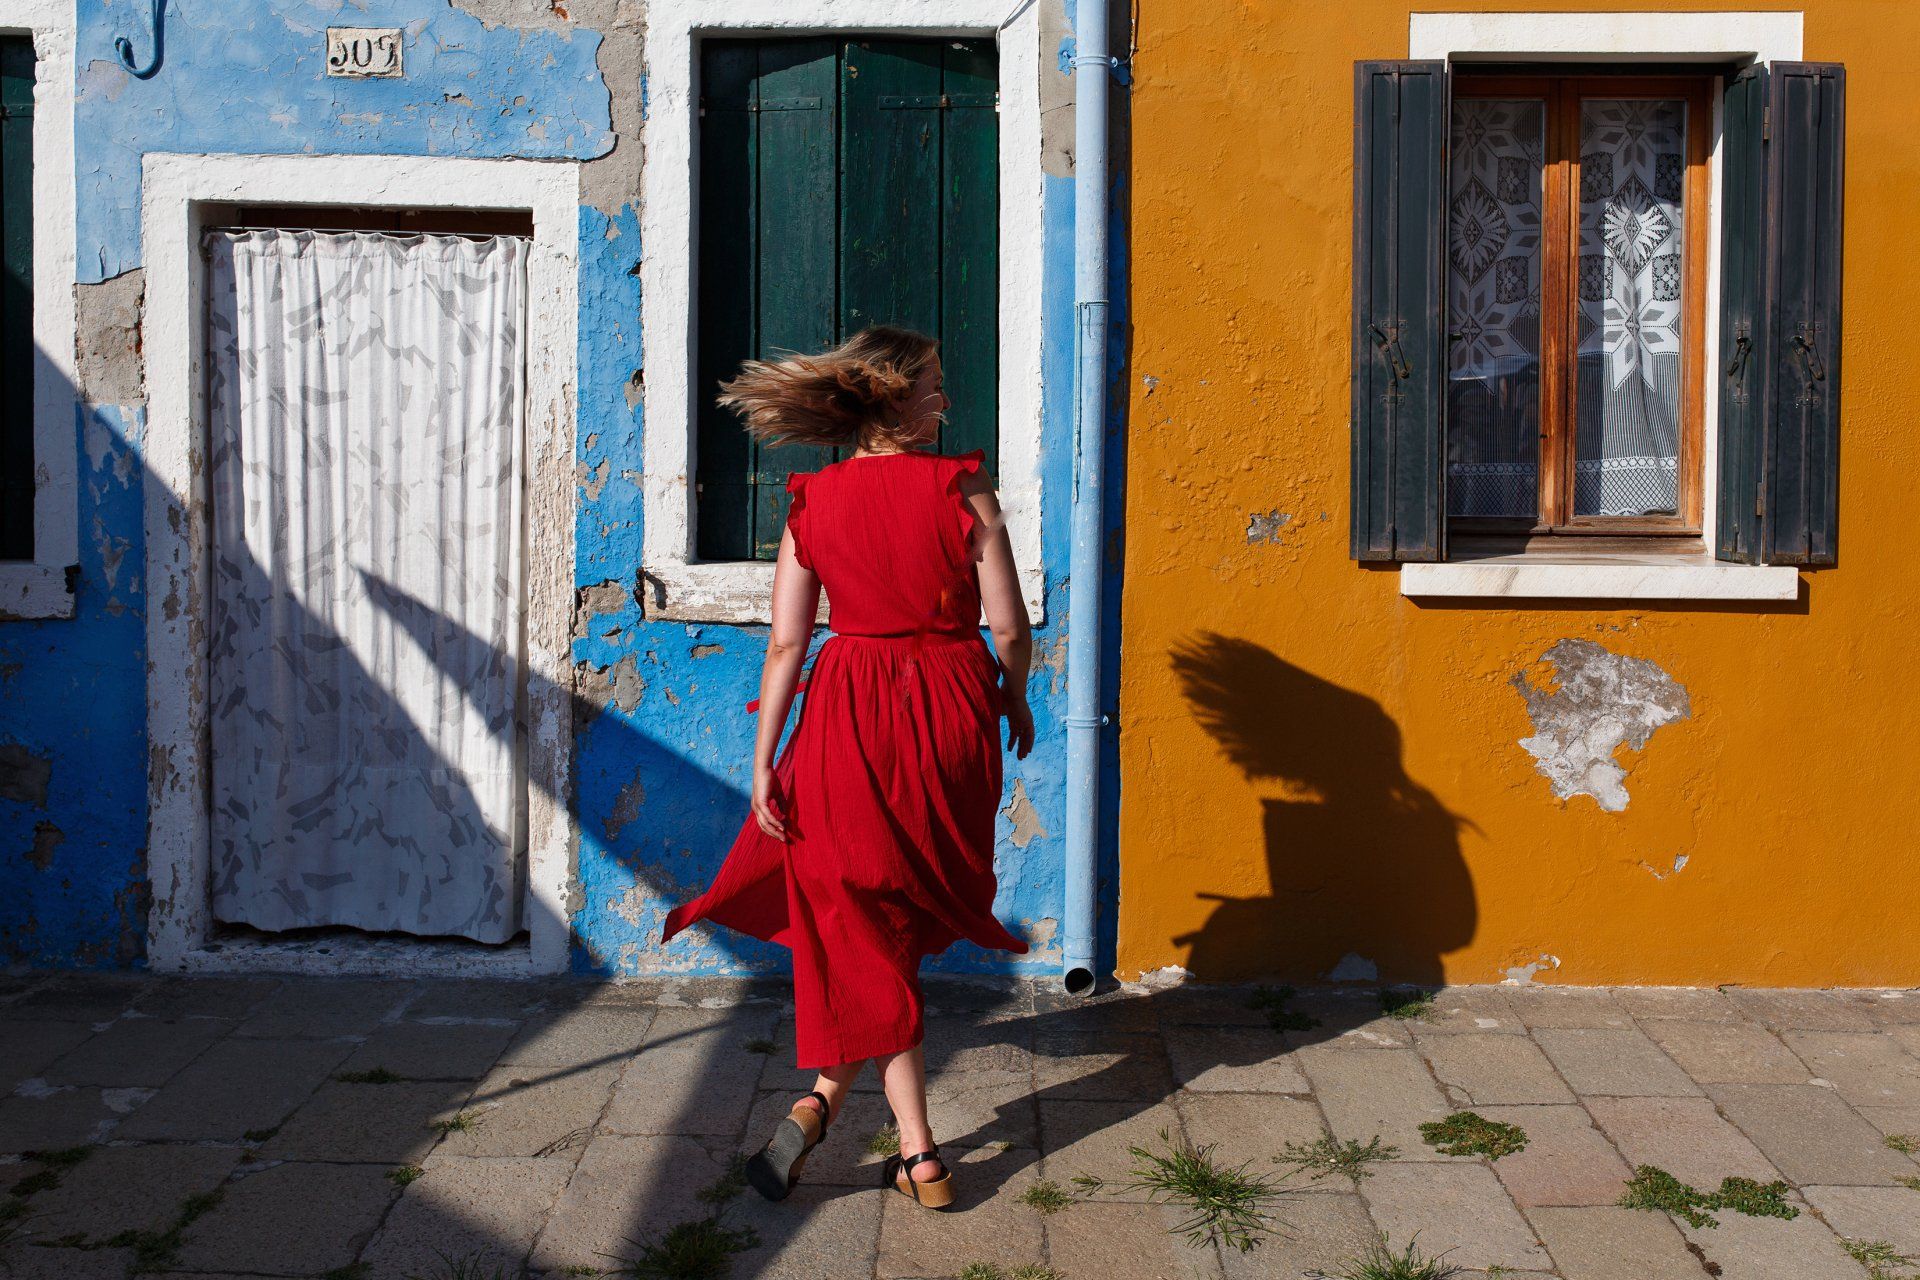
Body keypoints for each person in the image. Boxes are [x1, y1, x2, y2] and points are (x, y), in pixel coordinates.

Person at [661, 326, 1036, 1210]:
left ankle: (874, 1128)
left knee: (860, 908)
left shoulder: (813, 502)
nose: (945, 403)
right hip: (950, 707)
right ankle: (887, 1136)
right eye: (934, 388)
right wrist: (1011, 697)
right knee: (891, 909)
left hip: (846, 712)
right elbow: (1011, 630)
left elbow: (787, 641)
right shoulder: (962, 489)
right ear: (892, 398)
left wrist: (761, 765)